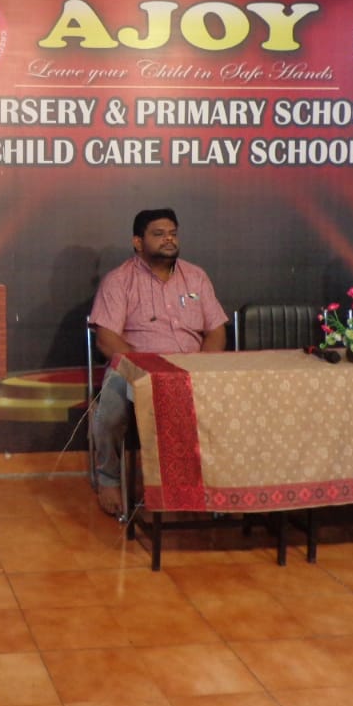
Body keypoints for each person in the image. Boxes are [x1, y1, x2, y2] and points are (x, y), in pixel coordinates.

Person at [88, 208, 228, 515]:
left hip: (193, 370)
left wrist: (205, 367)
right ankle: (109, 478)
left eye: (173, 233)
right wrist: (144, 369)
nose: (169, 239)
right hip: (138, 370)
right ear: (138, 242)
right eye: (159, 234)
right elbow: (107, 339)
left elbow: (216, 330)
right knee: (110, 408)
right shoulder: (119, 281)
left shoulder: (196, 276)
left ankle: (220, 483)